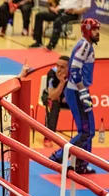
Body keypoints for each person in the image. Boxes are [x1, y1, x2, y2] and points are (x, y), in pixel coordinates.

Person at [49, 18, 100, 175]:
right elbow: (75, 71)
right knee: (86, 132)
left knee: (88, 131)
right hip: (77, 92)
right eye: (95, 30)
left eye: (98, 29)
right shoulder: (84, 46)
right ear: (87, 31)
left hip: (79, 91)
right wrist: (83, 92)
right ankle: (58, 157)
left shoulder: (86, 45)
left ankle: (82, 164)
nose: (98, 33)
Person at [43, 55, 69, 147]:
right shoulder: (52, 73)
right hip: (50, 96)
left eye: (62, 67)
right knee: (53, 103)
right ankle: (48, 136)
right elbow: (52, 96)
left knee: (82, 104)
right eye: (57, 65)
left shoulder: (73, 74)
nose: (58, 69)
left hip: (66, 97)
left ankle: (82, 136)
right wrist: (62, 82)